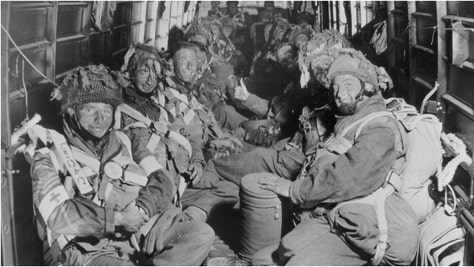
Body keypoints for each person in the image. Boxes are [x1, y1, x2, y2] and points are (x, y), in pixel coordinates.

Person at [30, 65, 214, 266]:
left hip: (137, 232)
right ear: (72, 111)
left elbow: (162, 180)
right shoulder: (50, 156)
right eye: (90, 109)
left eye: (106, 110)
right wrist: (118, 219)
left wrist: (141, 210)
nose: (100, 119)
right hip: (90, 249)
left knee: (200, 234)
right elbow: (57, 216)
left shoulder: (125, 140)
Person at [252, 49, 419, 265]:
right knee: (279, 252)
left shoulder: (379, 127)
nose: (340, 93)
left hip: (372, 231)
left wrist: (295, 190)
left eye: (348, 84)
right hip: (341, 215)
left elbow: (348, 176)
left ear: (367, 86)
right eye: (336, 87)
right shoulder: (350, 121)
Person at [117, 44, 240, 223]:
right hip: (153, 186)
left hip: (181, 176)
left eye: (155, 73)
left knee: (229, 188)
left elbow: (189, 135)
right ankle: (181, 222)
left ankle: (190, 217)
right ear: (131, 72)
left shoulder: (159, 101)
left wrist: (197, 161)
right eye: (144, 71)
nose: (150, 80)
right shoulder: (121, 110)